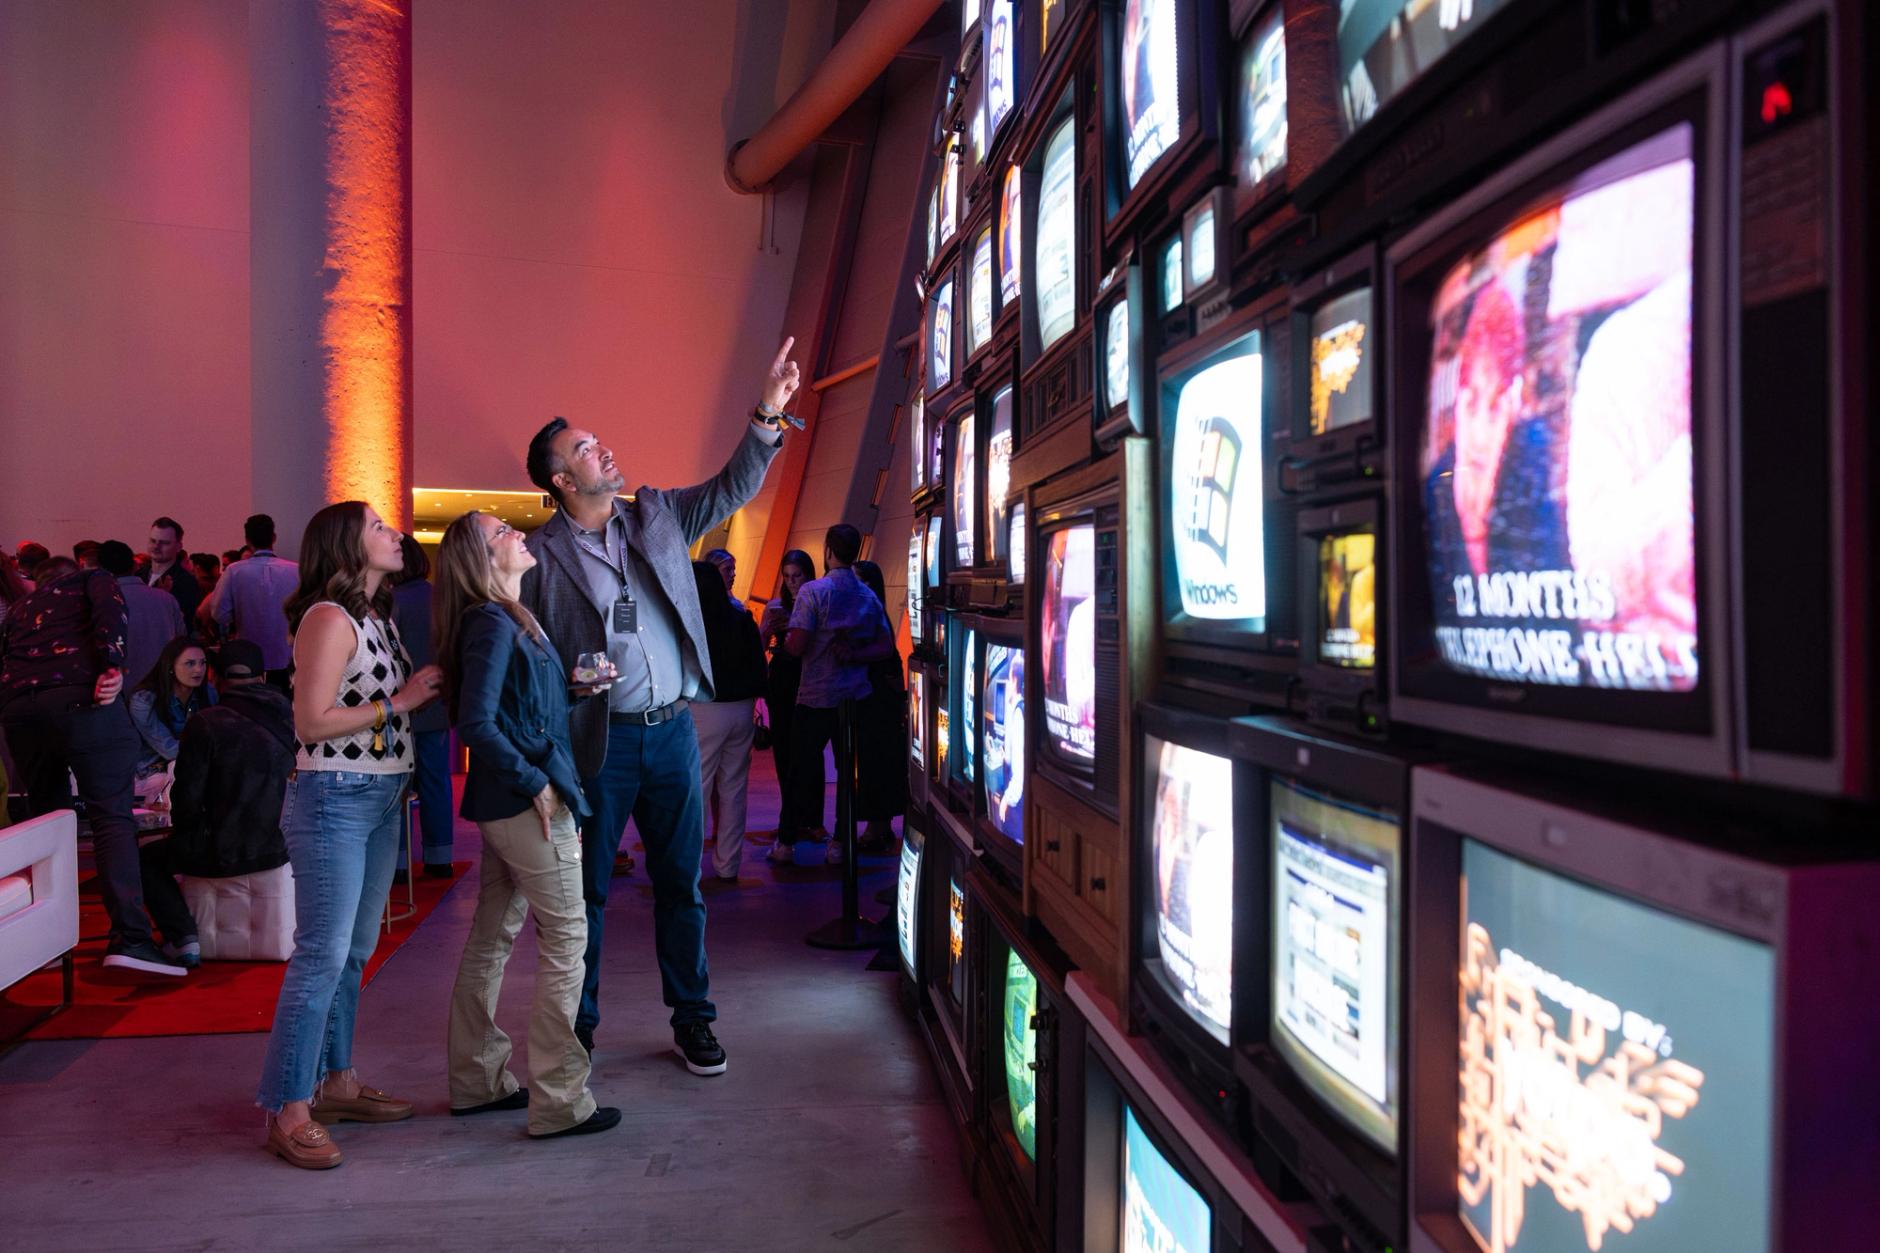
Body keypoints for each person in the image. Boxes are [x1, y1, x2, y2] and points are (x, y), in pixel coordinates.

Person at [520, 335, 800, 1070]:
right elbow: (524, 657)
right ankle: (576, 1030)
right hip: (598, 745)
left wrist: (766, 412)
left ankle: (694, 1019)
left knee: (683, 884)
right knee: (587, 898)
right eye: (586, 447)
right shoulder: (538, 559)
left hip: (673, 729)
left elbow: (733, 485)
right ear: (559, 477)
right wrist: (563, 689)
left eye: (600, 441)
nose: (604, 450)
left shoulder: (656, 516)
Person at [255, 501, 442, 1171]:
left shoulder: (376, 617)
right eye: (378, 526)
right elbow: (310, 722)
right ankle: (288, 1105)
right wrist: (402, 702)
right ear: (344, 544)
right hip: (335, 795)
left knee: (355, 950)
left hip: (383, 793)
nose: (394, 534)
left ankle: (335, 1081)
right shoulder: (328, 618)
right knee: (322, 955)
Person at [435, 511, 618, 1139]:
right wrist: (536, 780)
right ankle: (560, 1101)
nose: (518, 533)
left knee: (492, 939)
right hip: (525, 805)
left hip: (507, 804)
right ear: (482, 559)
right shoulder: (490, 622)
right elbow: (476, 723)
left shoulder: (509, 616)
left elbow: (517, 711)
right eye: (501, 533)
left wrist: (575, 690)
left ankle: (477, 1080)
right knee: (568, 941)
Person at [0, 553, 184, 974]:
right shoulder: (92, 578)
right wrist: (111, 664)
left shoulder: (21, 607)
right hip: (83, 700)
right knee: (111, 818)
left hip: (20, 711)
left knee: (49, 822)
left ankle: (49, 941)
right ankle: (131, 939)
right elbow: (109, 612)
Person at [783, 524, 891, 864]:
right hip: (854, 698)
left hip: (815, 696)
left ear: (827, 550)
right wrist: (855, 654)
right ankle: (840, 844)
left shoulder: (813, 592)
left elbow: (798, 644)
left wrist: (786, 639)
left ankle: (786, 844)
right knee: (848, 774)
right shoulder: (867, 595)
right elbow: (885, 646)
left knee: (798, 769)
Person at [162, 639, 293, 884]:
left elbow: (186, 800)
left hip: (218, 861)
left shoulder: (204, 723)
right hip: (281, 854)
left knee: (148, 863)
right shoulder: (293, 716)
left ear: (213, 677)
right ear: (263, 677)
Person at [689, 560, 767, 882]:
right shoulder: (742, 620)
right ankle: (727, 865)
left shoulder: (693, 625)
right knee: (734, 789)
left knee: (699, 788)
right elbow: (759, 666)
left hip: (705, 709)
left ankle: (689, 867)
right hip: (742, 709)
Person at [391, 534, 453, 877]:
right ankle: (439, 857)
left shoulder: (389, 601)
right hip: (438, 703)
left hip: (400, 705)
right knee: (436, 781)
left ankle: (400, 862)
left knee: (400, 786)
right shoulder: (441, 599)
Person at [760, 549, 814, 863]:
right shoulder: (776, 606)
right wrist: (769, 627)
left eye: (798, 576)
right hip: (782, 681)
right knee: (784, 752)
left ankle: (803, 820)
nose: (792, 582)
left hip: (806, 679)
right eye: (788, 576)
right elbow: (761, 643)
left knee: (805, 755)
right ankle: (791, 817)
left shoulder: (814, 601)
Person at [850, 560, 907, 852]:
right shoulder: (877, 612)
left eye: (856, 581)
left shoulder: (870, 614)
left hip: (876, 700)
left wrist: (851, 654)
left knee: (875, 763)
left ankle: (876, 828)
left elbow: (885, 654)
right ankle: (880, 826)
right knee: (879, 763)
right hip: (881, 698)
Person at [213, 514, 299, 690]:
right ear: (274, 538)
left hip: (248, 659)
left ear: (247, 540)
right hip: (286, 657)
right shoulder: (295, 570)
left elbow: (219, 614)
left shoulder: (234, 571)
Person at [127, 635, 217, 793]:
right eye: (190, 663)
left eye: (203, 663)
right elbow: (168, 749)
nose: (198, 669)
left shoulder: (207, 692)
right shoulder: (144, 700)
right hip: (152, 773)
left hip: (193, 764)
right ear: (170, 667)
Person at [98, 539, 185, 687]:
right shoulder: (166, 599)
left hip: (118, 693)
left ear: (100, 570)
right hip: (162, 688)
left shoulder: (99, 602)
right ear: (134, 565)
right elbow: (183, 641)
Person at [145, 516, 203, 621]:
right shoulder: (137, 575)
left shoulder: (186, 582)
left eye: (164, 543)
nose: (156, 546)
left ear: (178, 546)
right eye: (153, 541)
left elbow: (185, 621)